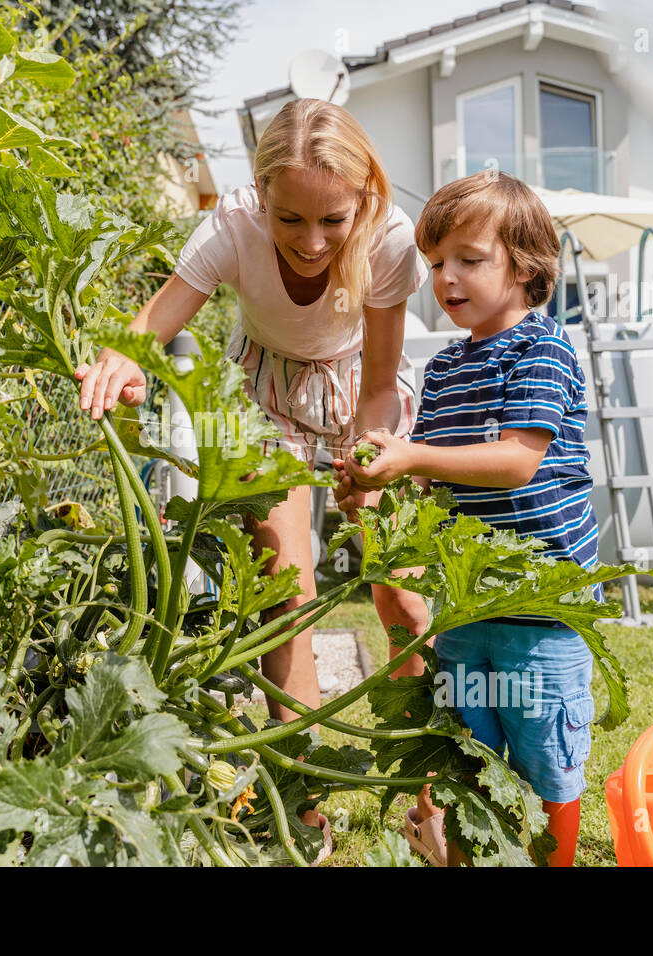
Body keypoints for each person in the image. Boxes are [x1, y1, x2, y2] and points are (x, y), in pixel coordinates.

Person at [75, 98, 435, 863]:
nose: (311, 243)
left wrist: (368, 465)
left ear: (364, 197)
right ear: (260, 195)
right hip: (263, 394)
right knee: (285, 594)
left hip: (357, 394)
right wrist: (120, 359)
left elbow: (378, 381)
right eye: (290, 219)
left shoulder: (391, 238)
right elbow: (151, 326)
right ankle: (302, 805)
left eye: (332, 221)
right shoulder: (230, 227)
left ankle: (430, 791)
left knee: (397, 589)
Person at [333, 170, 601, 867]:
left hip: (542, 604)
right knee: (465, 754)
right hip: (465, 603)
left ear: (527, 265)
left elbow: (517, 460)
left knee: (545, 756)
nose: (446, 279)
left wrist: (411, 454)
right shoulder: (448, 368)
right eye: (435, 264)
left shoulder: (544, 349)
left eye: (468, 260)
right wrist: (374, 483)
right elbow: (433, 479)